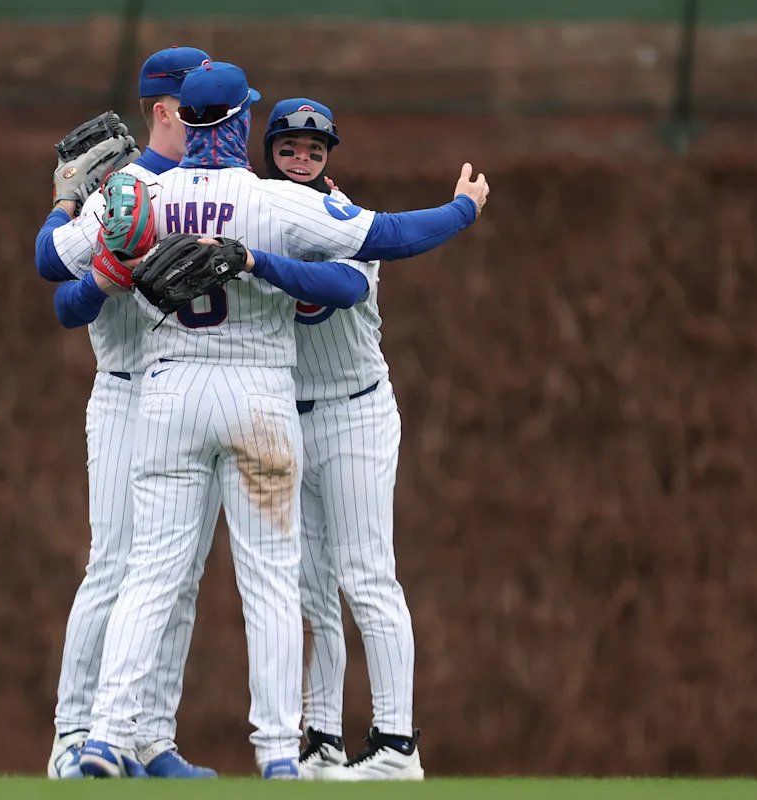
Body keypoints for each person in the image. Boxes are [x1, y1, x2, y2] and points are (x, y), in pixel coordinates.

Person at [70, 61, 489, 779]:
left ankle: (105, 738)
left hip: (170, 395)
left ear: (184, 122)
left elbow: (56, 267)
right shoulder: (274, 201)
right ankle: (276, 755)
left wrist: (69, 213)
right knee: (270, 582)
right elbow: (392, 235)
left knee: (150, 573)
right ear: (240, 124)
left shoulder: (141, 195)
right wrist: (463, 210)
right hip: (258, 397)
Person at [33, 46, 220, 780]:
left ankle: (148, 737)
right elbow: (52, 266)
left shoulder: (222, 185)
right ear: (164, 111)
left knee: (179, 576)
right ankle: (73, 734)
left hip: (194, 395)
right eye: (197, 104)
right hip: (126, 392)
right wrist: (66, 205)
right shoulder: (126, 187)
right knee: (114, 566)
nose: (213, 116)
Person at [262, 98, 423, 781]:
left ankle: (396, 743)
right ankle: (321, 735)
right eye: (289, 148)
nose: (301, 159)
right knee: (310, 587)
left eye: (314, 150)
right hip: (289, 415)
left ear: (328, 159)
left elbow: (341, 289)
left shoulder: (342, 216)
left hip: (355, 412)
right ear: (270, 152)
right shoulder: (255, 215)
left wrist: (253, 262)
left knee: (365, 574)